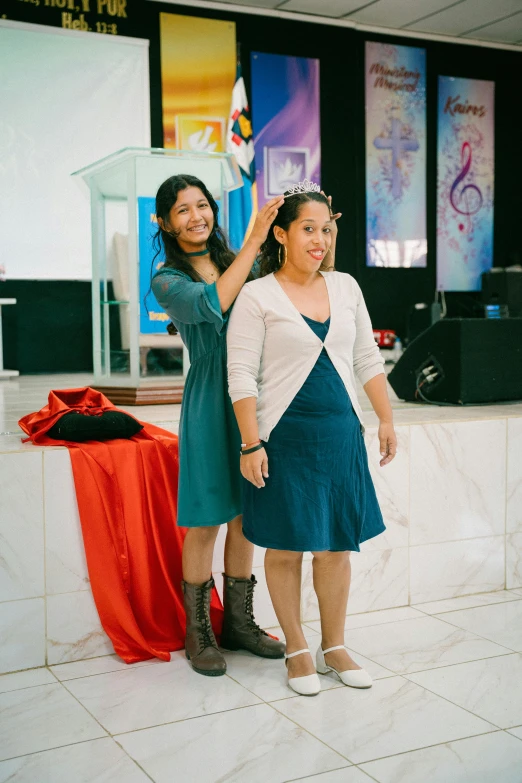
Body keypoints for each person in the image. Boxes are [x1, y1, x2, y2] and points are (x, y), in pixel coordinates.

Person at [227, 182, 397, 696]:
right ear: (280, 234)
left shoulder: (346, 286)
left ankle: (335, 645)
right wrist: (251, 443)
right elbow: (241, 374)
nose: (320, 239)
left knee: (336, 548)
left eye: (327, 229)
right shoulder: (257, 295)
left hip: (339, 435)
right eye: (308, 229)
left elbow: (368, 356)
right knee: (284, 547)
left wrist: (387, 419)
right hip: (283, 438)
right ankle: (297, 649)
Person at [151, 174, 286, 676]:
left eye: (202, 205)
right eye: (182, 210)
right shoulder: (168, 279)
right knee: (208, 516)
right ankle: (199, 632)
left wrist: (313, 228)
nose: (196, 217)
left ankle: (239, 624)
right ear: (165, 222)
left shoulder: (238, 262)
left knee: (246, 513)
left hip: (251, 394)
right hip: (211, 401)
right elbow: (213, 304)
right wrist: (252, 242)